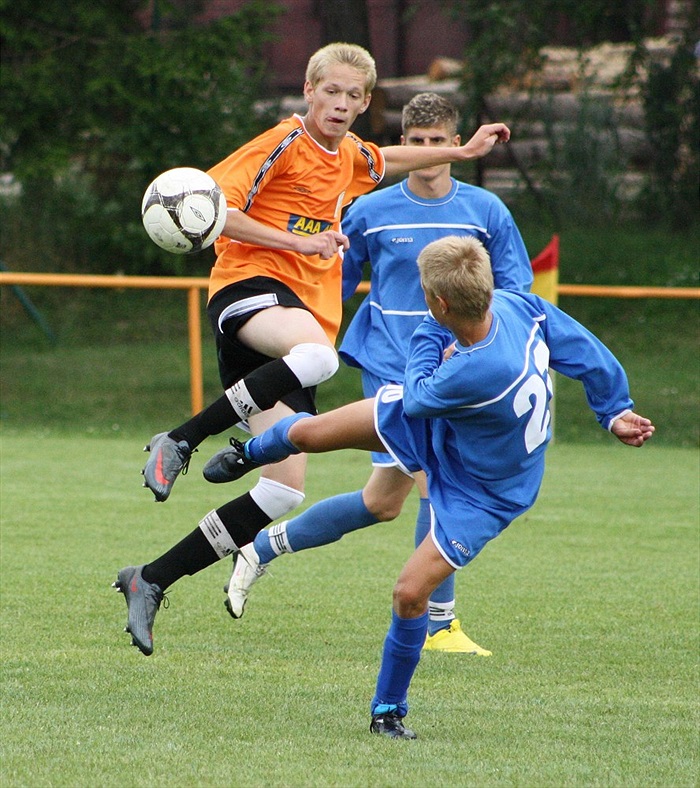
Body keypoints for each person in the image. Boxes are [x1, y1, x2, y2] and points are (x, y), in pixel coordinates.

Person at [115, 235, 654, 739]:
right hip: (449, 423)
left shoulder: (472, 367)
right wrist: (615, 410)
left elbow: (419, 393)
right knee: (310, 433)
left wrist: (431, 338)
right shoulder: (520, 307)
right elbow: (587, 351)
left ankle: (387, 711)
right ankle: (247, 451)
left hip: (486, 490)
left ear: (439, 302)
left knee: (408, 591)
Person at [121, 43, 510, 656]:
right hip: (250, 291)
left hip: (289, 331)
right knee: (319, 357)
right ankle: (182, 439)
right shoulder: (283, 141)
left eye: (356, 97)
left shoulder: (350, 155)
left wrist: (461, 151)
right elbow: (218, 212)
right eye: (332, 91)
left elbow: (386, 157)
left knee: (283, 492)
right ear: (309, 90)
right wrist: (296, 246)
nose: (343, 104)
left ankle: (151, 579)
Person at [213, 92, 533, 656]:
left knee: (382, 503)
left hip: (463, 371)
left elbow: (516, 293)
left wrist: (500, 352)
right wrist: (301, 346)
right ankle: (438, 624)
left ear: (455, 144)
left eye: (440, 142)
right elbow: (324, 284)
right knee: (439, 478)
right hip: (394, 364)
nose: (429, 152)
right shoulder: (369, 210)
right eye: (419, 142)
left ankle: (260, 548)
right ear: (404, 144)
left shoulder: (486, 212)